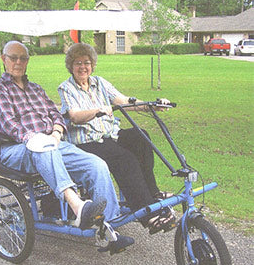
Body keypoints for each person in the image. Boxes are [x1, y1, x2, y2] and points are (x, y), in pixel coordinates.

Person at [0, 40, 134, 253]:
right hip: (15, 148)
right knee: (42, 146)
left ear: (27, 61)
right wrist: (36, 139)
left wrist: (56, 132)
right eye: (13, 58)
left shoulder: (35, 89)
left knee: (96, 164)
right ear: (4, 60)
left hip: (52, 142)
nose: (18, 62)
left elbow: (56, 113)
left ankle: (108, 229)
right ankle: (78, 206)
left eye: (23, 58)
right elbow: (10, 125)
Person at [58, 43, 175, 233]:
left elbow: (124, 101)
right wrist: (97, 111)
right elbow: (74, 116)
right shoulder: (66, 88)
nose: (82, 67)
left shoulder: (100, 83)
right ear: (70, 66)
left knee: (141, 137)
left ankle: (153, 194)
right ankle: (148, 215)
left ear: (93, 65)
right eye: (77, 63)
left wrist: (150, 106)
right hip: (86, 143)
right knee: (124, 159)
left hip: (109, 135)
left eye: (86, 62)